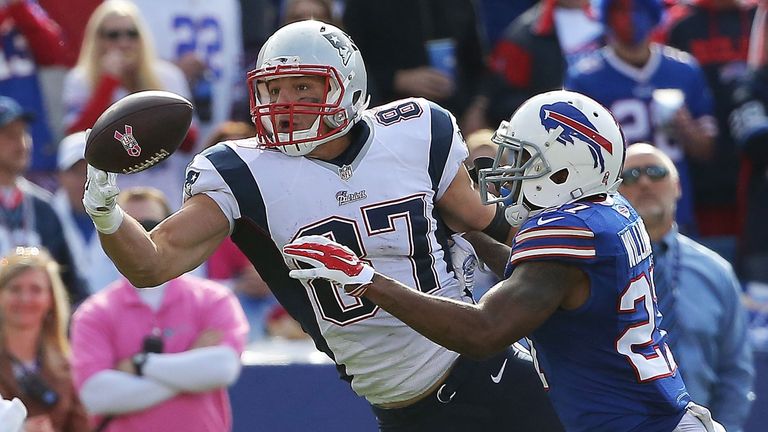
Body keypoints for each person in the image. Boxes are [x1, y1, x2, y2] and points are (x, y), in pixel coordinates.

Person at [81, 20, 563, 431]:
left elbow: (489, 225)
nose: (284, 101)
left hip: (483, 368)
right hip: (399, 406)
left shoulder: (413, 129)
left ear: (347, 86)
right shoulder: (242, 171)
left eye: (303, 86)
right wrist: (107, 213)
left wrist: (570, 283)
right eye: (273, 88)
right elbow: (151, 263)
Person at [283, 89, 724, 432]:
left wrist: (368, 280)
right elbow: (537, 279)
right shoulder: (609, 213)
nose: (507, 171)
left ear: (565, 170)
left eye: (524, 159)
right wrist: (470, 232)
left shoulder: (568, 235)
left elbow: (484, 331)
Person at [70, 187, 248, 432]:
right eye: (127, 227)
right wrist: (189, 371)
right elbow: (96, 395)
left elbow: (223, 369)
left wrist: (141, 365)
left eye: (152, 224)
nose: (140, 235)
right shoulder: (94, 312)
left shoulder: (214, 299)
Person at [618, 142, 754, 431]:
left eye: (656, 172)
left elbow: (735, 371)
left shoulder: (716, 271)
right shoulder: (592, 270)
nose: (644, 181)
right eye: (630, 175)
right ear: (612, 193)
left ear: (678, 186)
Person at [565, 0, 717, 235]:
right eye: (620, 10)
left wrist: (687, 129)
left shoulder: (683, 70)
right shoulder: (585, 78)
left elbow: (706, 149)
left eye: (637, 9)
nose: (630, 18)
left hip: (675, 207)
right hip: (614, 215)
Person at [63, 0, 197, 209]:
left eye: (132, 34)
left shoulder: (167, 76)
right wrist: (108, 83)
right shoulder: (81, 79)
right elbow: (76, 140)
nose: (124, 42)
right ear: (97, 39)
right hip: (112, 196)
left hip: (162, 193)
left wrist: (147, 90)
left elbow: (189, 142)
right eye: (113, 35)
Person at [0, 96, 88, 305]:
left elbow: (68, 282)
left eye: (24, 133)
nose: (21, 143)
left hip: (35, 328)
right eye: (10, 135)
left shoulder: (43, 206)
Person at [0, 246, 89, 432]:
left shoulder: (68, 365)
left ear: (51, 299)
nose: (25, 299)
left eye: (36, 290)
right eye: (15, 289)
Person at [52, 131, 119, 294]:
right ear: (60, 176)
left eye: (92, 171)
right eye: (76, 171)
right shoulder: (44, 216)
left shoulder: (130, 217)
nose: (85, 179)